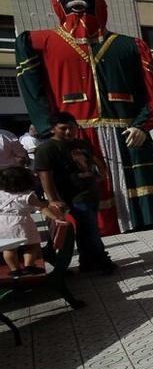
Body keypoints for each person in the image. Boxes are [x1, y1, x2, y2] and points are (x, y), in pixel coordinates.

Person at [17, 0, 153, 233]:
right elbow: (32, 91)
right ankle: (91, 228)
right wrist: (50, 131)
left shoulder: (131, 45)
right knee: (83, 184)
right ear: (58, 1)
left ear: (98, 0)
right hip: (76, 134)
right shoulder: (39, 42)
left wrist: (143, 125)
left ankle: (143, 217)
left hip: (125, 130)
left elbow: (151, 93)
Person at [34, 112, 116, 274]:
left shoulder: (81, 144)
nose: (68, 132)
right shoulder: (46, 149)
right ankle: (100, 259)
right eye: (63, 128)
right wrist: (53, 200)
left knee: (87, 230)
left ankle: (87, 262)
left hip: (89, 192)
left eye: (72, 128)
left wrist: (100, 173)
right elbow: (45, 177)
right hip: (72, 197)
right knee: (91, 229)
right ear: (52, 129)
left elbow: (93, 162)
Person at [0, 166, 61, 277]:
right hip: (21, 222)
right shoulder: (27, 196)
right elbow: (42, 208)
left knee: (8, 248)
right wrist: (55, 217)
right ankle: (29, 265)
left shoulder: (1, 194)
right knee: (32, 245)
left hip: (2, 223)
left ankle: (14, 270)